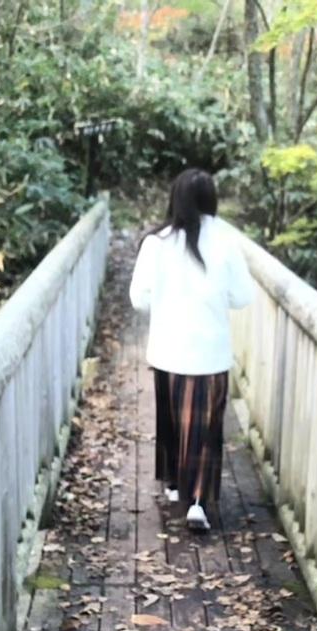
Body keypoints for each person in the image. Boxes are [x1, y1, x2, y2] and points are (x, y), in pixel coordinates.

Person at [129, 168, 255, 532]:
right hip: (210, 354)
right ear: (211, 200)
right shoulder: (227, 240)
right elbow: (243, 296)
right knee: (204, 427)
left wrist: (166, 301)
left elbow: (139, 299)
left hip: (168, 350)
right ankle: (197, 501)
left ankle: (173, 484)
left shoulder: (156, 243)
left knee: (172, 420)